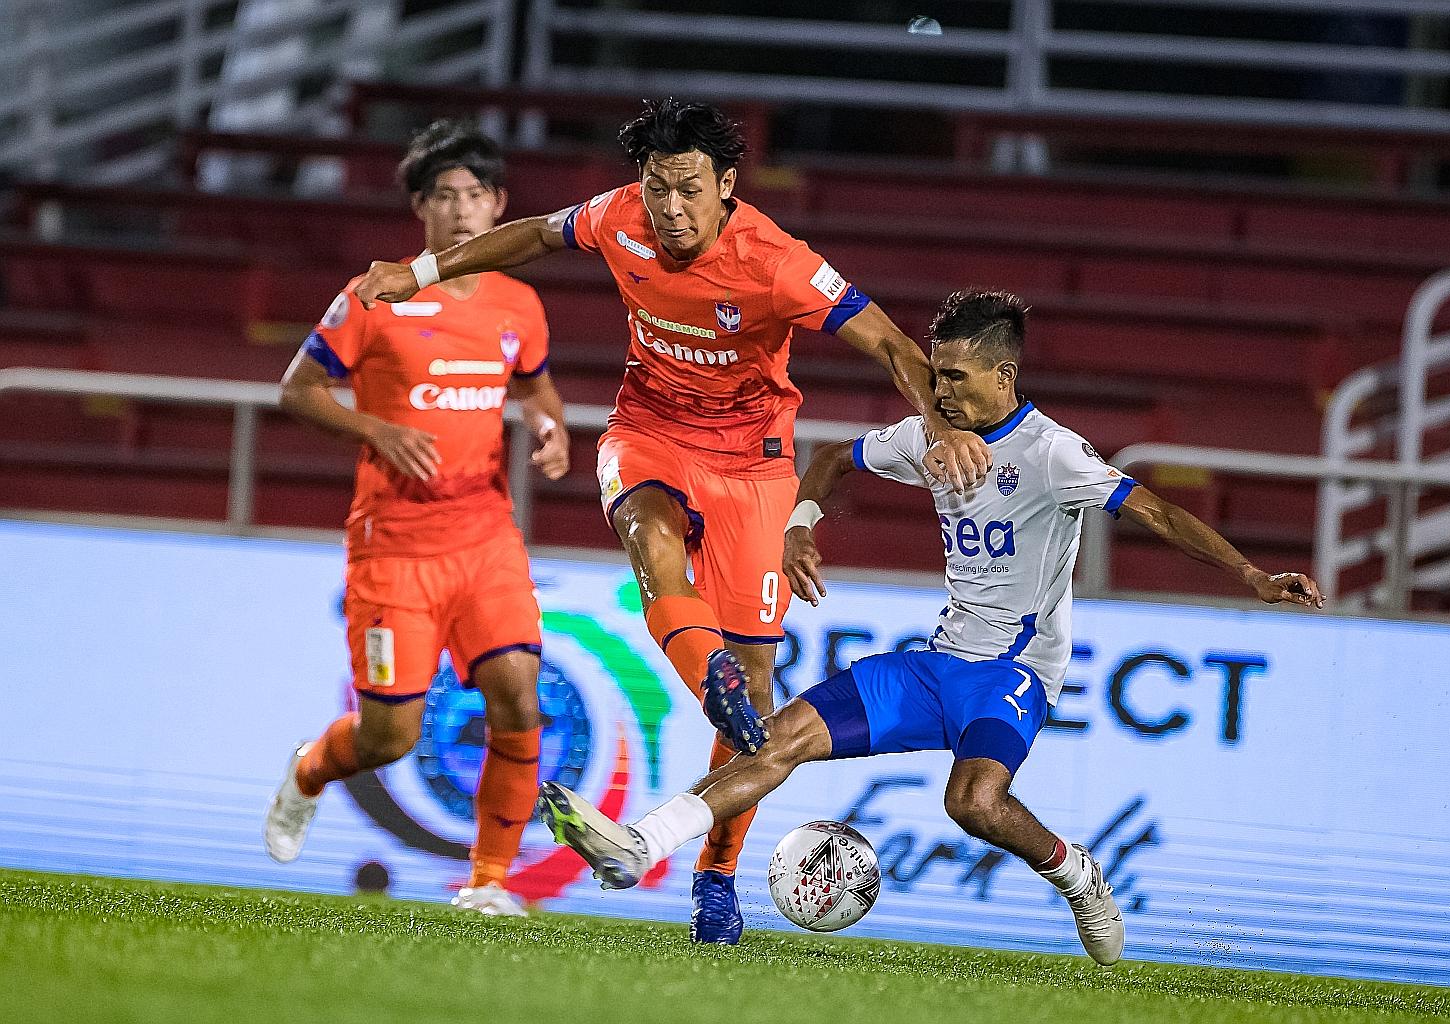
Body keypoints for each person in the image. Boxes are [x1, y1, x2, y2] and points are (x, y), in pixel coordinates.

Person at [350, 99, 992, 943]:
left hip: (753, 464)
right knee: (651, 539)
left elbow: (887, 345)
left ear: (725, 184)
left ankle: (715, 877)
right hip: (648, 434)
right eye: (657, 191)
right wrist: (423, 274)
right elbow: (540, 233)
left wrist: (941, 421)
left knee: (758, 696)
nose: (670, 211)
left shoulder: (776, 260)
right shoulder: (621, 218)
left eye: (688, 190)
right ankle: (706, 676)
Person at [535, 289, 1326, 961]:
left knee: (973, 803)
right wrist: (801, 523)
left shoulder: (1052, 454)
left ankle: (1077, 875)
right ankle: (639, 847)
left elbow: (1153, 508)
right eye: (933, 373)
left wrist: (1252, 575)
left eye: (954, 375)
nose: (937, 391)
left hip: (1014, 673)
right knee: (776, 737)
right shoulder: (928, 439)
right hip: (936, 662)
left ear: (1003, 374)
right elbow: (833, 460)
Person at [262, 120, 572, 918]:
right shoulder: (372, 296)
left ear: (500, 204)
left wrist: (548, 428)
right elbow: (296, 390)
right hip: (393, 548)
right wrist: (377, 429)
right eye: (446, 196)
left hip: (485, 538)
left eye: (477, 195)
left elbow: (535, 389)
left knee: (517, 696)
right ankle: (308, 770)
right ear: (420, 209)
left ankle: (490, 881)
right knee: (390, 739)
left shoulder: (519, 302)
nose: (464, 211)